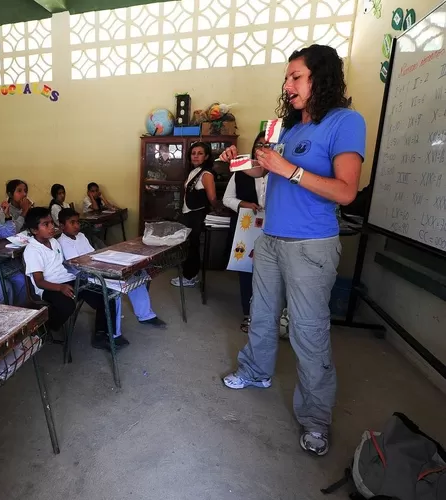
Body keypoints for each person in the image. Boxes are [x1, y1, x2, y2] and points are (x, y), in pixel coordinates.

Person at [220, 44, 366, 457]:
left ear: (321, 78)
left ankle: (316, 418)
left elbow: (347, 191)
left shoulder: (346, 122)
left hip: (311, 246)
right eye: (287, 78)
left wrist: (292, 170)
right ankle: (255, 372)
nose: (287, 85)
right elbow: (261, 169)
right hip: (272, 239)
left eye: (295, 77)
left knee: (307, 331)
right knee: (262, 316)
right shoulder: (285, 127)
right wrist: (236, 162)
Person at [23, 207, 123, 350]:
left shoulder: (54, 242)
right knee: (67, 305)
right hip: (49, 286)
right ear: (34, 230)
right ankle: (45, 328)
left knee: (106, 294)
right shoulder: (32, 250)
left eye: (51, 222)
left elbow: (63, 265)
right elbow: (39, 281)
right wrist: (60, 287)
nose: (52, 227)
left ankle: (101, 335)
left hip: (68, 279)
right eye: (46, 224)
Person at [58, 208, 166, 332]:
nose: (77, 226)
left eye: (77, 222)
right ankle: (113, 333)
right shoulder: (62, 242)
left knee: (136, 275)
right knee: (115, 289)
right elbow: (77, 265)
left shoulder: (81, 236)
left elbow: (93, 253)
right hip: (85, 276)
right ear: (61, 226)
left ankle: (145, 315)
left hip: (96, 267)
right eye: (72, 223)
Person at [223, 131, 268, 333]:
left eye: (267, 145)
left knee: (270, 273)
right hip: (248, 228)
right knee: (247, 271)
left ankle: (269, 316)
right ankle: (248, 314)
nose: (262, 149)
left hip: (273, 227)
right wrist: (244, 204)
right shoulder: (241, 171)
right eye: (259, 144)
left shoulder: (280, 172)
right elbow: (227, 199)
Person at [170, 142, 221, 288]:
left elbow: (212, 197)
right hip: (188, 212)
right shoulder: (194, 171)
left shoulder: (206, 174)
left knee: (192, 245)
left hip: (196, 214)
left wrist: (218, 209)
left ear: (206, 156)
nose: (196, 156)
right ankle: (189, 274)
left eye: (200, 153)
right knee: (187, 245)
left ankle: (190, 277)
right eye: (193, 153)